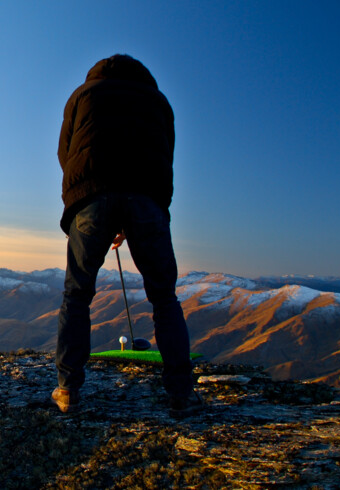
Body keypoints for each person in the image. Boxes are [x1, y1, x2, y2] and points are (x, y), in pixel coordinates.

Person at [52, 54, 202, 418]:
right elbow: (167, 154)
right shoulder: (159, 102)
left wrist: (91, 192)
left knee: (77, 294)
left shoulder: (82, 95)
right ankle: (181, 392)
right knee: (164, 297)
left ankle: (68, 389)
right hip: (146, 198)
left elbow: (65, 151)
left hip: (91, 197)